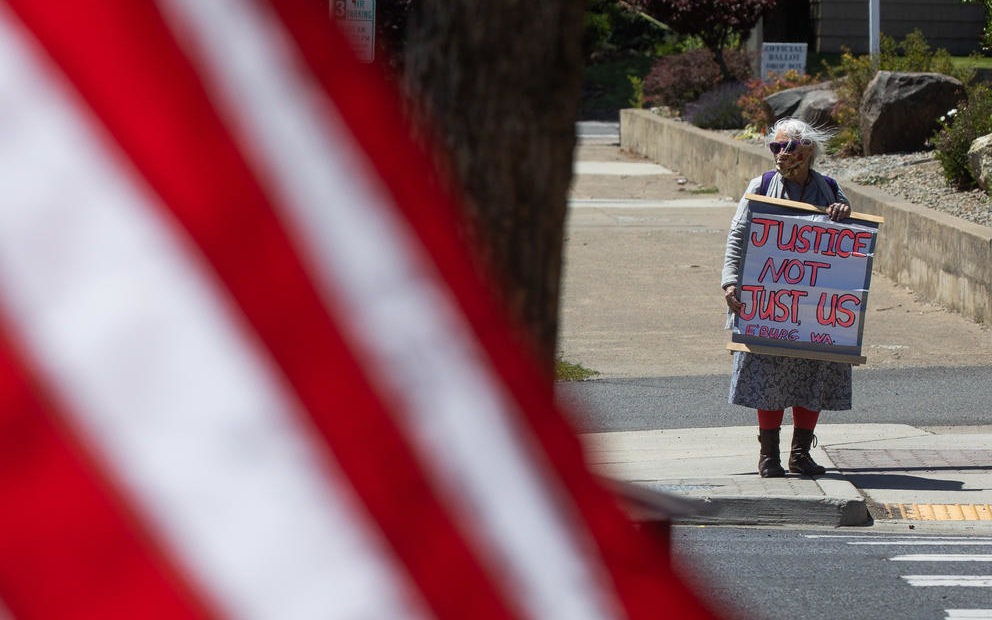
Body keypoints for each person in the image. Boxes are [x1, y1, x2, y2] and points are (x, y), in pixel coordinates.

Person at [721, 117, 853, 478]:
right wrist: (731, 283)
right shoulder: (761, 186)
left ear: (808, 150)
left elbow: (850, 240)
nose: (780, 154)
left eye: (788, 147)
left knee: (814, 375)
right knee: (768, 378)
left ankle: (800, 454)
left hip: (812, 306)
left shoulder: (828, 189)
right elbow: (738, 235)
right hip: (770, 304)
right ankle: (769, 456)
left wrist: (842, 214)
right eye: (775, 147)